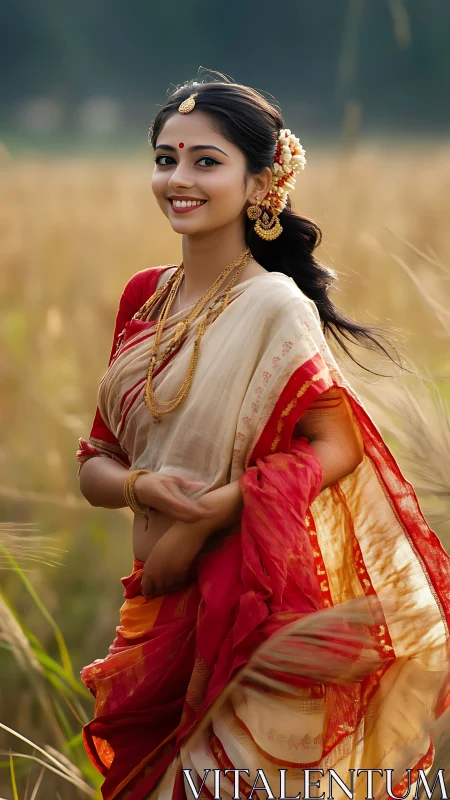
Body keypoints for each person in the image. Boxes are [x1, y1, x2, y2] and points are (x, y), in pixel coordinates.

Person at [76, 75, 450, 800]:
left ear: (261, 183)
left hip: (245, 606)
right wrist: (140, 487)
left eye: (205, 161)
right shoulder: (142, 298)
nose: (178, 179)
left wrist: (212, 514)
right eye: (165, 159)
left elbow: (338, 446)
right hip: (154, 614)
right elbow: (95, 458)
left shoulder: (275, 305)